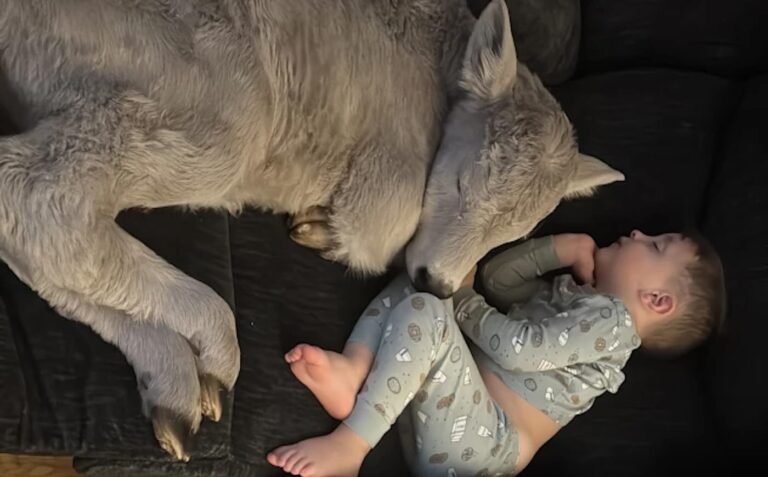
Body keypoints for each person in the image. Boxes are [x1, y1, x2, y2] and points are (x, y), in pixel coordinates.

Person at [266, 230, 726, 477]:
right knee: (429, 276)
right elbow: (499, 280)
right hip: (449, 412)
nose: (637, 232)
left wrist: (462, 299)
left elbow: (517, 350)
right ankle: (355, 372)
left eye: (655, 245)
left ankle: (351, 444)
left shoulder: (612, 325)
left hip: (485, 445)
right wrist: (558, 250)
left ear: (657, 301)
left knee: (432, 302)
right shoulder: (578, 299)